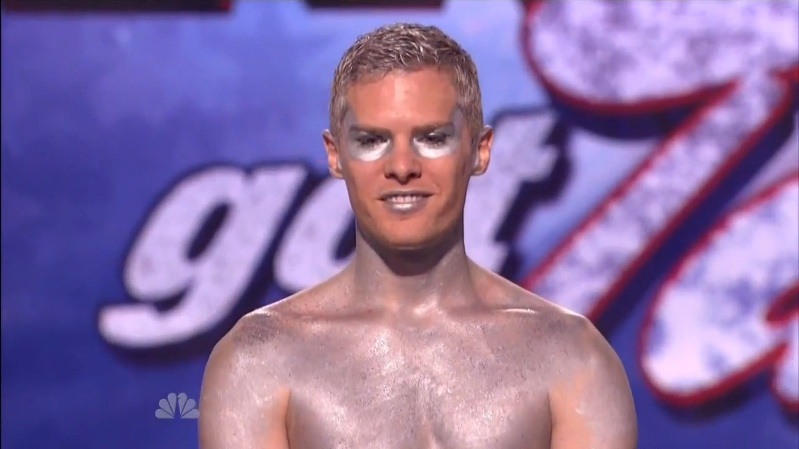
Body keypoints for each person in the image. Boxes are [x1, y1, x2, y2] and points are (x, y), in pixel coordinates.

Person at [198, 23, 637, 449]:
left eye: (432, 138)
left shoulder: (571, 357)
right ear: (335, 156)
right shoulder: (259, 361)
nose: (403, 167)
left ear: (479, 150)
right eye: (372, 141)